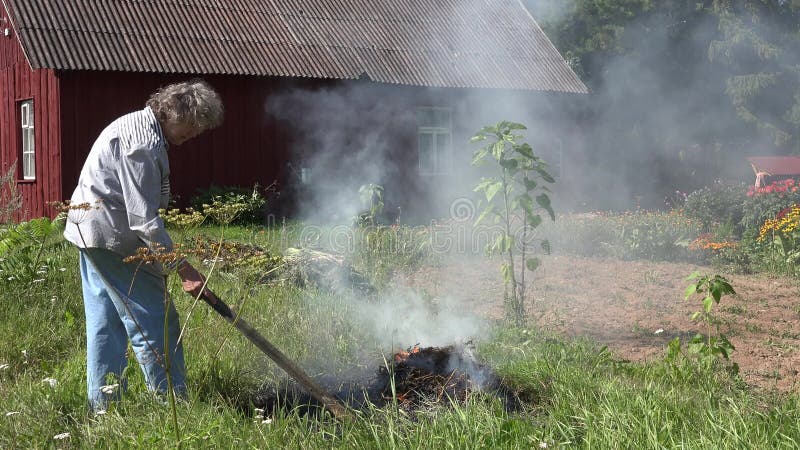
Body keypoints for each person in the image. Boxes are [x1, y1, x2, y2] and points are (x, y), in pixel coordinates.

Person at [63, 79, 224, 410]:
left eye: (200, 128)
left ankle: (105, 410)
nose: (193, 134)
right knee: (156, 321)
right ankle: (174, 406)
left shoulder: (140, 127)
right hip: (114, 238)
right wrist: (184, 268)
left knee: (105, 324)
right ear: (171, 111)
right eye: (192, 125)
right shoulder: (143, 144)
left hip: (90, 234)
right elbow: (143, 220)